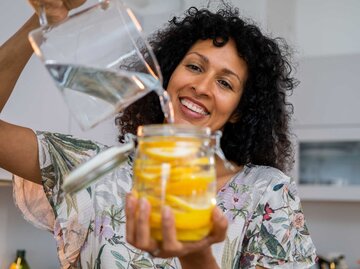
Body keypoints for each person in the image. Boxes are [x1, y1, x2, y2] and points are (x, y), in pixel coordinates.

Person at [0, 0, 317, 268]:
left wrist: (195, 253)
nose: (202, 86)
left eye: (225, 83)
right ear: (167, 75)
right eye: (194, 67)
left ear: (238, 110)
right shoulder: (92, 167)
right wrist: (40, 22)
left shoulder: (267, 192)